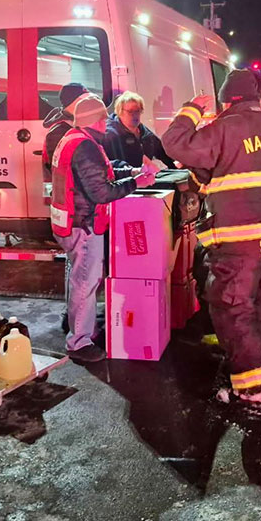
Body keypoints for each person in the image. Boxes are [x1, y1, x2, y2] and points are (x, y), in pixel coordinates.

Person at [163, 69, 261, 404]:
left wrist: (191, 109)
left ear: (228, 100)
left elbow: (175, 143)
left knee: (232, 307)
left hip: (240, 238)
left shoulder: (224, 128)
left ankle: (255, 390)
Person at [51, 92, 157, 363]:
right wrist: (137, 184)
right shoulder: (85, 146)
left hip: (72, 223)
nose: (105, 121)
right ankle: (79, 342)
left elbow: (104, 172)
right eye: (102, 117)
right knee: (85, 282)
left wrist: (131, 172)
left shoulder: (76, 139)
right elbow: (100, 192)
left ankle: (78, 328)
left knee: (78, 279)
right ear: (94, 120)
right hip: (84, 224)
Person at [104, 90, 177, 169]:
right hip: (126, 179)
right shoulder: (109, 135)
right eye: (130, 111)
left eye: (137, 111)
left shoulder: (144, 132)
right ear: (120, 112)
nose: (135, 115)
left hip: (145, 178)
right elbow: (107, 166)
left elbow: (162, 153)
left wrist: (177, 168)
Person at [42, 82, 91, 181]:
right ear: (73, 103)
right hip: (69, 190)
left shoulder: (75, 122)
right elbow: (61, 170)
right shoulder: (58, 132)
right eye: (84, 100)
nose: (88, 104)